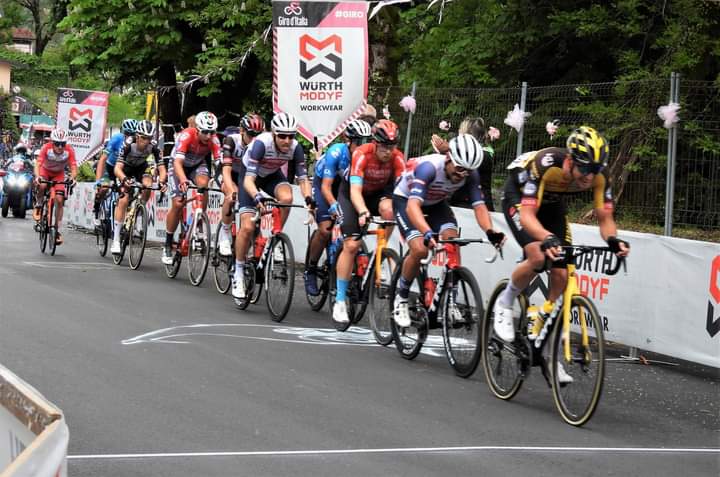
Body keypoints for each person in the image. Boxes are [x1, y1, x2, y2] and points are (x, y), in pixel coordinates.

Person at [493, 126, 630, 347]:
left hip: (552, 203)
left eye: (595, 169)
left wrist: (613, 240)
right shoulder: (546, 163)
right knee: (538, 256)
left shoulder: (600, 176)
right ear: (569, 161)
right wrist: (546, 236)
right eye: (584, 168)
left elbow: (605, 218)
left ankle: (545, 315)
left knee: (561, 272)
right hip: (519, 197)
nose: (589, 176)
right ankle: (505, 301)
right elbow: (527, 216)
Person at [391, 134, 505, 326]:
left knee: (452, 240)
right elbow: (412, 206)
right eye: (460, 168)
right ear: (449, 158)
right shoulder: (429, 168)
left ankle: (451, 300)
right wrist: (427, 232)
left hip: (436, 203)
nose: (463, 175)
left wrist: (490, 232)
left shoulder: (469, 174)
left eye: (468, 171)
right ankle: (401, 297)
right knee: (420, 249)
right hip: (406, 200)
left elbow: (479, 206)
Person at [231, 112, 313, 302]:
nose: (287, 141)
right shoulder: (261, 143)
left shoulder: (295, 147)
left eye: (291, 136)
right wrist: (257, 196)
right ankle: (238, 272)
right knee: (247, 226)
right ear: (274, 134)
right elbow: (249, 181)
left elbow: (303, 179)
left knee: (287, 197)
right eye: (282, 136)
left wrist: (309, 199)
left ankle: (274, 237)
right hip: (250, 176)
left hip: (271, 175)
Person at [331, 119, 405, 324]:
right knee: (352, 245)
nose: (388, 151)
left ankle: (381, 251)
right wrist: (363, 212)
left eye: (392, 146)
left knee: (389, 210)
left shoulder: (398, 158)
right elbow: (355, 191)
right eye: (384, 146)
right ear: (375, 142)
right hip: (352, 196)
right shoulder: (361, 154)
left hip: (377, 195)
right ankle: (339, 301)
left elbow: (401, 192)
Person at [303, 119, 373, 296]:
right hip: (325, 185)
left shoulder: (367, 157)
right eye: (359, 142)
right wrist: (333, 205)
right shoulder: (336, 152)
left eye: (366, 142)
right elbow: (326, 187)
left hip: (346, 188)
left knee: (352, 230)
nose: (362, 147)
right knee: (325, 229)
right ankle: (311, 269)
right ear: (348, 141)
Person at [162, 111, 222, 264]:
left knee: (204, 185)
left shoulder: (214, 140)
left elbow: (220, 165)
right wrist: (183, 179)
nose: (208, 136)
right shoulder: (187, 135)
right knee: (178, 203)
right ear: (197, 129)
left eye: (212, 132)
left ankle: (199, 220)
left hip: (197, 164)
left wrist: (223, 182)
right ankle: (168, 243)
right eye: (205, 132)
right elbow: (177, 162)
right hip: (178, 165)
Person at [111, 120, 167, 254]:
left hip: (141, 167)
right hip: (126, 169)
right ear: (137, 136)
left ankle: (139, 210)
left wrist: (162, 181)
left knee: (148, 185)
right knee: (124, 198)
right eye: (143, 138)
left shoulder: (153, 146)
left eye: (149, 138)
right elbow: (117, 169)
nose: (146, 141)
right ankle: (116, 239)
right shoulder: (128, 144)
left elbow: (162, 168)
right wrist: (124, 179)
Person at [217, 114, 265, 257]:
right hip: (228, 172)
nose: (254, 139)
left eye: (258, 135)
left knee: (256, 201)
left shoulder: (260, 145)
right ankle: (225, 233)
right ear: (242, 131)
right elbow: (226, 171)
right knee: (231, 195)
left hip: (245, 175)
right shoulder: (231, 140)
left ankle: (254, 239)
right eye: (251, 135)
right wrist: (231, 190)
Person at [432, 117, 496, 210]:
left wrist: (447, 150)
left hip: (472, 205)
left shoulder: (482, 155)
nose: (458, 132)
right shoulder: (465, 152)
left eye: (461, 130)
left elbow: (463, 163)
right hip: (461, 202)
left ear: (468, 135)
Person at [32, 129, 77, 245]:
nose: (60, 147)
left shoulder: (69, 150)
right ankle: (39, 204)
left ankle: (56, 229)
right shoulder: (46, 148)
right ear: (52, 142)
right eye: (57, 144)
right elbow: (38, 164)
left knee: (59, 199)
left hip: (59, 174)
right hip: (45, 171)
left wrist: (73, 178)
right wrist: (37, 176)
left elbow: (73, 167)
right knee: (42, 185)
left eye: (63, 144)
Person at [94, 119, 139, 225]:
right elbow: (102, 159)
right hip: (110, 168)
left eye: (133, 134)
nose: (129, 137)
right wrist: (98, 181)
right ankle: (96, 208)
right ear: (122, 132)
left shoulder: (137, 143)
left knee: (127, 191)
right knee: (104, 188)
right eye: (127, 133)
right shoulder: (116, 139)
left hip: (123, 170)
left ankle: (122, 216)